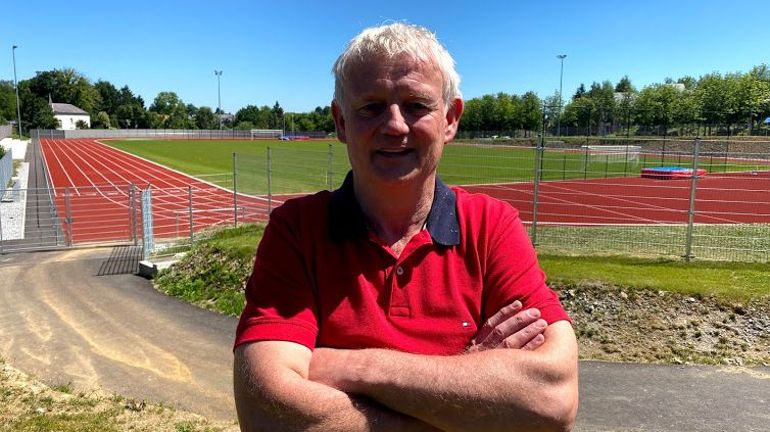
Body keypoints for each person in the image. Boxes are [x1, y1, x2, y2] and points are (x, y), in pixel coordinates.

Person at [233, 22, 578, 431]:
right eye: (371, 107)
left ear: (450, 119)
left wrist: (352, 366)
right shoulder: (297, 230)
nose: (395, 125)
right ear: (341, 122)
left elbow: (552, 398)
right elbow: (267, 412)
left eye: (416, 105)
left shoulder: (492, 226)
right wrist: (469, 387)